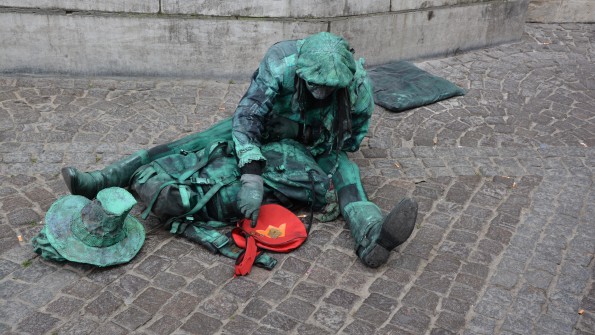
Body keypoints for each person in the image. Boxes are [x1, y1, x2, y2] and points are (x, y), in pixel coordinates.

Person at [61, 32, 418, 268]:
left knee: (346, 173)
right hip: (265, 126)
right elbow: (247, 117)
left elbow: (350, 141)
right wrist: (251, 176)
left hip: (314, 142)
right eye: (314, 85)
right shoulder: (280, 62)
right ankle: (105, 178)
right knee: (197, 141)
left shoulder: (357, 87)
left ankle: (370, 233)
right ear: (301, 72)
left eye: (330, 88)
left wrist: (301, 132)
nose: (322, 93)